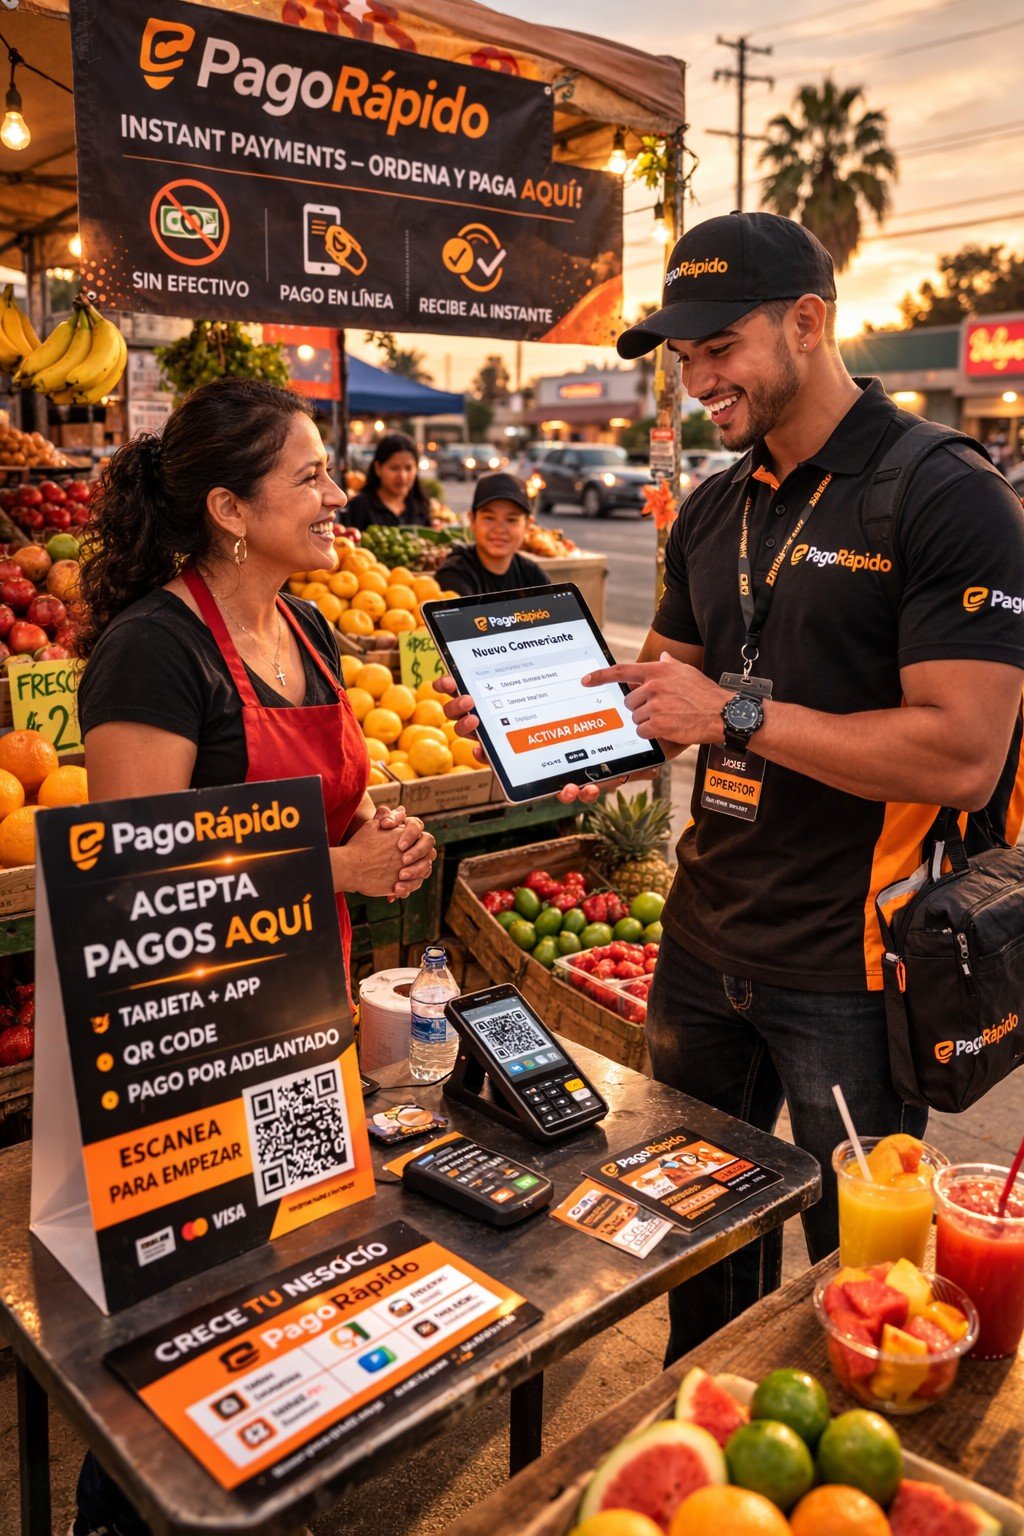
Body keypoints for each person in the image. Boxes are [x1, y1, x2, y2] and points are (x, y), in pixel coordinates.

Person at [443, 211, 1024, 1363]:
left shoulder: (944, 495)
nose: (698, 378)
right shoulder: (713, 509)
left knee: (857, 1289)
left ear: (807, 323)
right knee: (690, 1249)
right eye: (683, 356)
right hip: (702, 951)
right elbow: (665, 701)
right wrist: (537, 727)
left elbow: (963, 752)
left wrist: (739, 718)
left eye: (720, 347)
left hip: (852, 970)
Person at [71, 377, 436, 1536]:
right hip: (183, 1047)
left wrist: (381, 839)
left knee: (282, 1301)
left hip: (300, 1021)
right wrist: (333, 872)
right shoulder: (150, 653)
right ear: (231, 509)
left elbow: (329, 813)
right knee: (175, 1320)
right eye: (312, 477)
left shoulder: (313, 631)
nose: (339, 497)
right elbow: (130, 879)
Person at [438, 471, 548, 595]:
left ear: (528, 525)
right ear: (472, 520)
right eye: (489, 518)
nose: (499, 529)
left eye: (511, 520)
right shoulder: (454, 576)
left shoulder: (533, 576)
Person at [344, 431, 432, 530]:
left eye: (408, 468)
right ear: (378, 468)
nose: (402, 476)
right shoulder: (359, 507)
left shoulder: (421, 507)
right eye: (394, 468)